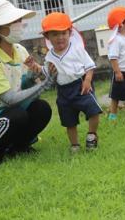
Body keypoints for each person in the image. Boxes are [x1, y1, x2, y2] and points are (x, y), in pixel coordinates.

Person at [0, 0, 54, 166]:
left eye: (18, 20)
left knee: (41, 108)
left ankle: (18, 147)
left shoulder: (19, 50)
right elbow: (10, 99)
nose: (19, 24)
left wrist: (33, 77)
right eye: (13, 21)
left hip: (9, 111)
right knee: (16, 115)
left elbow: (21, 86)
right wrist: (43, 84)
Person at [41, 12, 102, 153]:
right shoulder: (50, 56)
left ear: (69, 33)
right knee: (69, 121)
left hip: (81, 85)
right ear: (47, 37)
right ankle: (74, 145)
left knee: (93, 111)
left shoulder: (77, 49)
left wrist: (87, 81)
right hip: (63, 91)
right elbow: (48, 72)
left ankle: (91, 135)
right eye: (55, 34)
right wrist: (37, 68)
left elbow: (90, 66)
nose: (60, 37)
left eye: (64, 33)